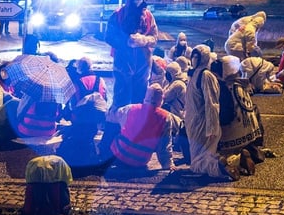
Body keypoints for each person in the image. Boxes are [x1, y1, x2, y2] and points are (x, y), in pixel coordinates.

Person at [99, 0, 158, 158]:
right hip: (123, 64)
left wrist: (143, 40)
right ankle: (110, 142)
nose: (138, 1)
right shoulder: (117, 16)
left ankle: (136, 140)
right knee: (120, 102)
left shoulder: (148, 16)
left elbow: (154, 37)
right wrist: (125, 42)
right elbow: (108, 36)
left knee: (140, 102)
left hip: (142, 64)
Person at [184, 45, 238, 180]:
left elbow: (212, 104)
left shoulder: (206, 76)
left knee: (196, 164)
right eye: (193, 56)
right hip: (194, 124)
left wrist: (212, 128)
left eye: (197, 56)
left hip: (203, 125)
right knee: (200, 156)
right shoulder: (195, 73)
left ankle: (217, 165)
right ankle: (234, 161)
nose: (194, 59)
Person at [111, 83, 181, 171]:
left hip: (119, 155)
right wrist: (168, 164)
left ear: (145, 97)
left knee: (116, 127)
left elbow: (112, 117)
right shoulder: (165, 117)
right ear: (161, 100)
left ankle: (102, 156)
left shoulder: (130, 108)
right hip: (140, 161)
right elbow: (165, 145)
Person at [215, 56, 264, 176]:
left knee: (218, 152)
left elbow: (225, 115)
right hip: (250, 132)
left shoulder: (225, 88)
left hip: (234, 133)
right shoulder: (242, 84)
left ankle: (237, 159)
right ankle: (250, 151)